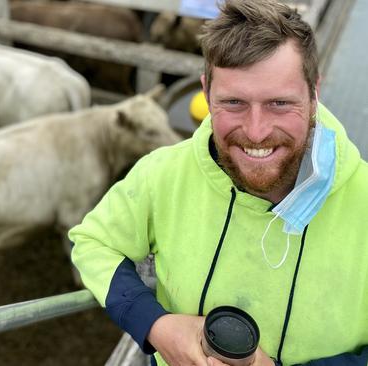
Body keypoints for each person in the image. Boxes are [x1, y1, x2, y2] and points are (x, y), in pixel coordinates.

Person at [68, 0, 368, 365]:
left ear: (314, 92)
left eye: (278, 103)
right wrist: (157, 326)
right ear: (206, 92)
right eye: (234, 102)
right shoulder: (163, 173)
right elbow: (94, 243)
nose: (256, 132)